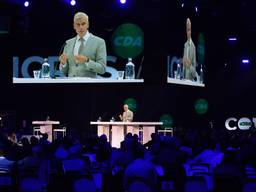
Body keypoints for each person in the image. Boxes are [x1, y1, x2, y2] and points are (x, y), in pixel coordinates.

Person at [59, 12, 107, 77]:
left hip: (89, 85)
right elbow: (63, 71)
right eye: (78, 24)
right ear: (74, 26)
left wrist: (87, 61)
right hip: (71, 85)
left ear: (88, 25)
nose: (81, 27)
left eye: (83, 24)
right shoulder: (68, 43)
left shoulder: (99, 42)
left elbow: (102, 69)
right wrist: (63, 63)